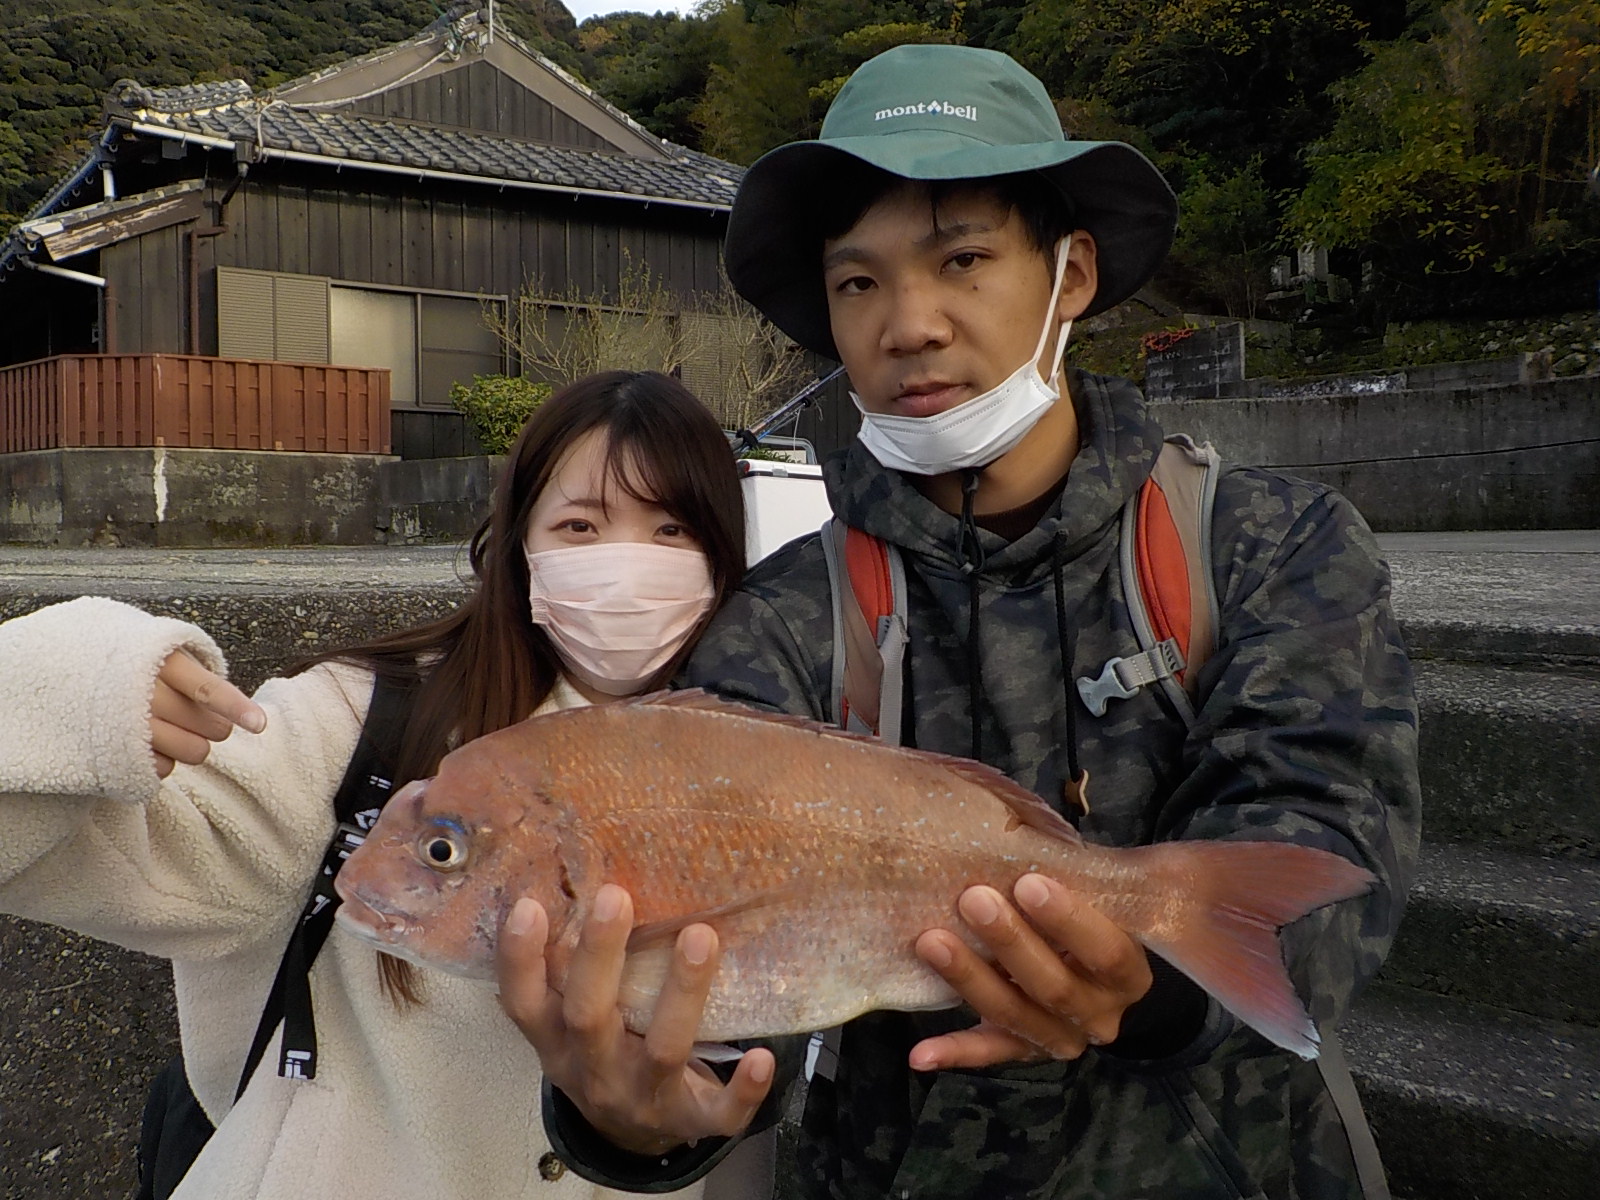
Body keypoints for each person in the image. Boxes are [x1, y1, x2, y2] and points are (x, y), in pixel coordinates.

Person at [498, 44, 1422, 1199]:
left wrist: (1152, 987)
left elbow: (1331, 845)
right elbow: (743, 985)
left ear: (1069, 275)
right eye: (857, 282)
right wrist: (649, 1111)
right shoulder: (786, 618)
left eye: (964, 259)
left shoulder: (1268, 545)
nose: (909, 325)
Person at [0, 371, 772, 1200]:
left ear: (724, 557)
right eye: (581, 525)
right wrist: (89, 686)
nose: (625, 568)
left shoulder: (774, 769)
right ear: (519, 548)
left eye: (671, 530)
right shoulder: (361, 719)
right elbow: (78, 843)